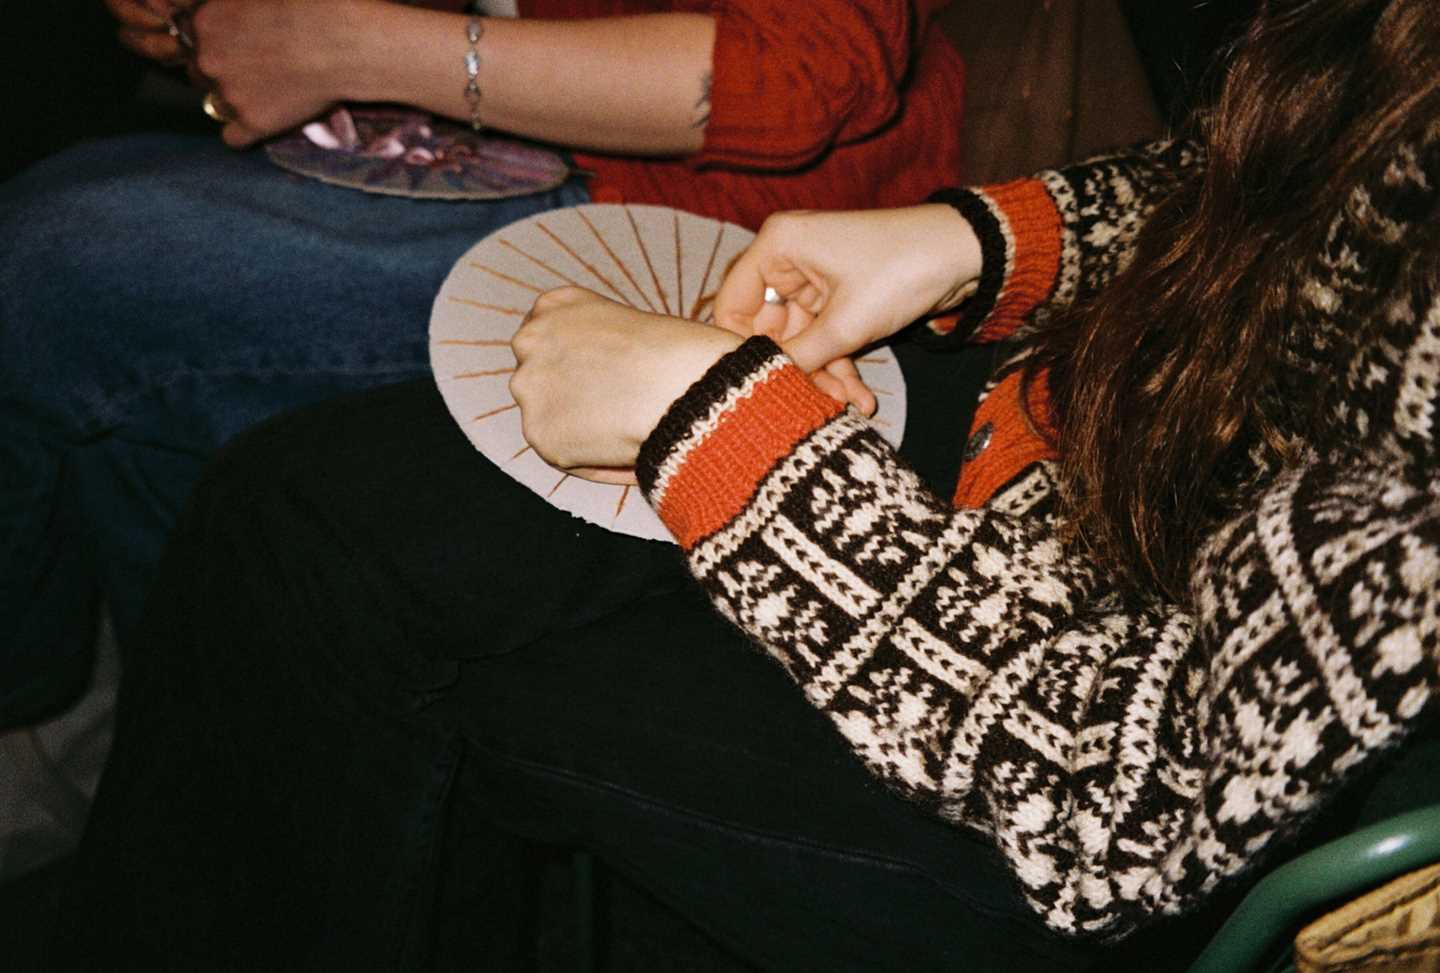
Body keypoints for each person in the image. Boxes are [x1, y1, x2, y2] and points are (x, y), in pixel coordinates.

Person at [49, 0, 1440, 968]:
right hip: (1071, 455)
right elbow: (1289, 192)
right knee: (300, 508)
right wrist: (976, 240)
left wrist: (710, 427)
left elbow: (1125, 808)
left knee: (326, 582)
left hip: (1063, 822)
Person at [0, 0, 966, 729]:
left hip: (725, 220)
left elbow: (799, 72)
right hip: (519, 130)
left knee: (50, 270)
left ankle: (44, 698)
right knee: (107, 328)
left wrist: (341, 41)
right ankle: (178, 735)